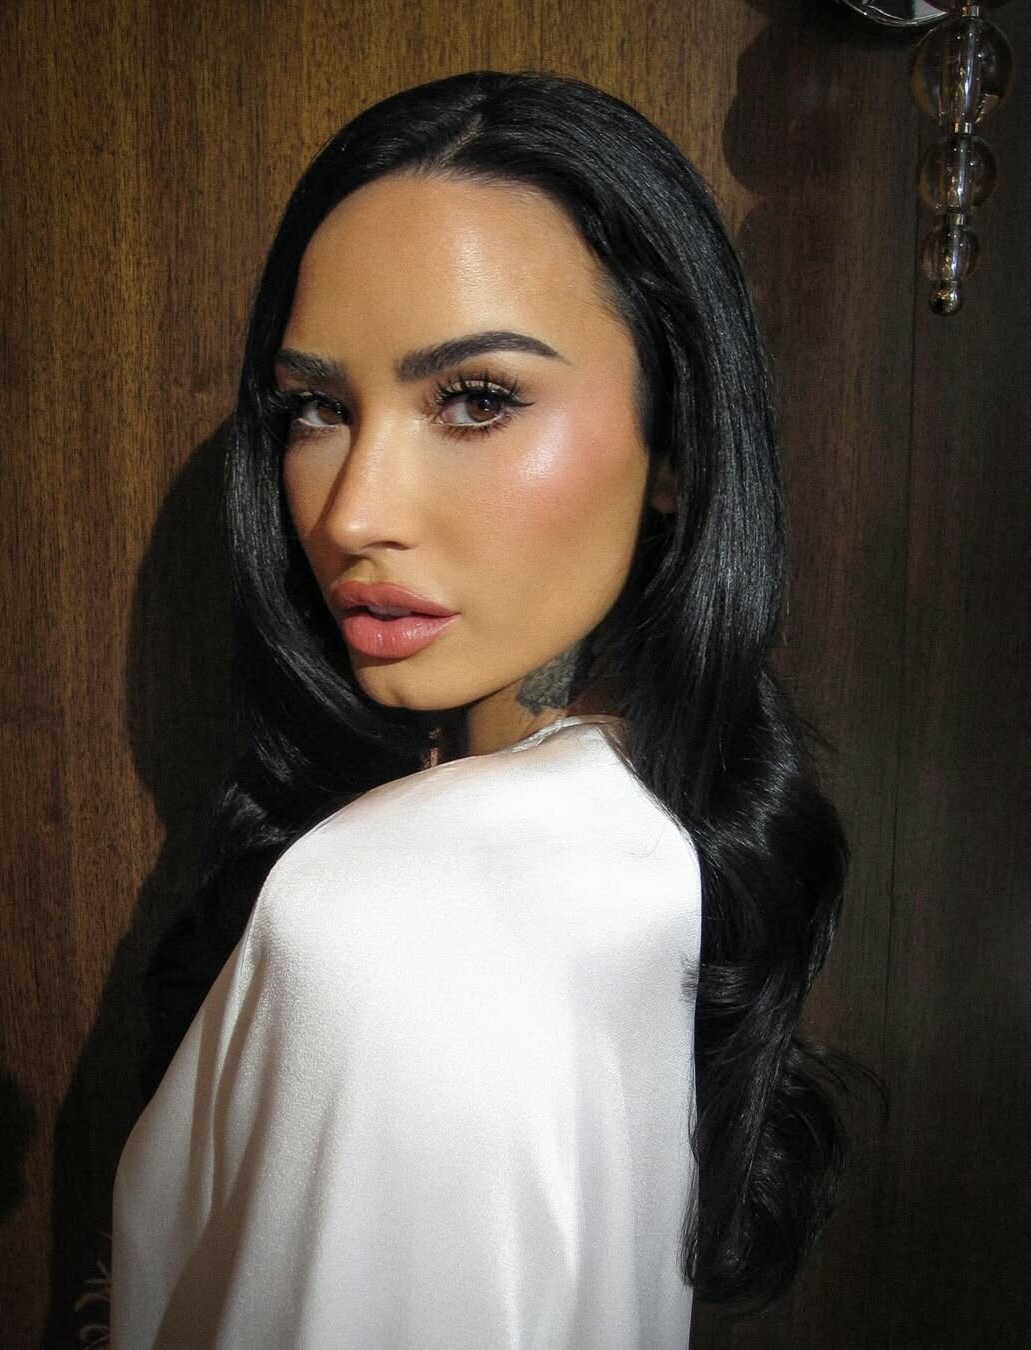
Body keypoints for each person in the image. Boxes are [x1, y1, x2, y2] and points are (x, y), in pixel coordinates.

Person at [108, 69, 850, 1349]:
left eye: (477, 399)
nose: (353, 512)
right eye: (317, 409)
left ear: (677, 447)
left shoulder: (398, 916)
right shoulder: (632, 843)